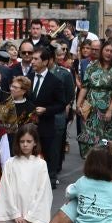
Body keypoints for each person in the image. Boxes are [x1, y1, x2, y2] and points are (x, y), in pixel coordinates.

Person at [25, 44, 76, 175]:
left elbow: (61, 103)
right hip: (29, 125)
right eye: (32, 59)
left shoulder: (55, 81)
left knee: (49, 153)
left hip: (47, 125)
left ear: (45, 61)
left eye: (36, 59)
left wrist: (46, 110)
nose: (32, 61)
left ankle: (50, 178)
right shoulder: (28, 79)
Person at [77, 41, 112, 154]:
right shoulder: (92, 66)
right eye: (106, 50)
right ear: (102, 50)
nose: (108, 53)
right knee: (89, 139)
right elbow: (85, 87)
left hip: (107, 110)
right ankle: (90, 166)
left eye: (111, 51)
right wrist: (78, 104)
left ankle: (106, 168)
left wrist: (110, 110)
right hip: (90, 109)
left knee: (106, 142)